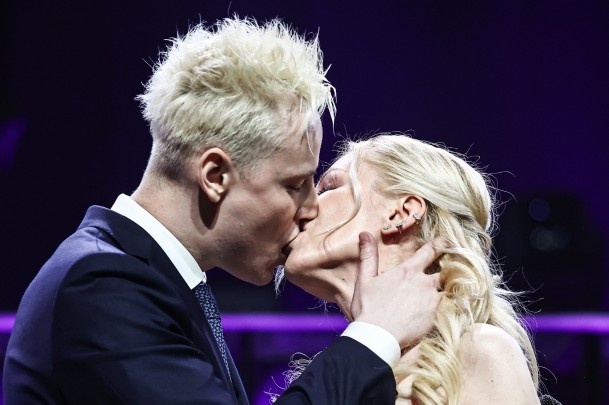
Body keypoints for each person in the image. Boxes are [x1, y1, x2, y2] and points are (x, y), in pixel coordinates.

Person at [3, 18, 441, 404]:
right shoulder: (102, 286)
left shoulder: (146, 280)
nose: (311, 209)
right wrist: (375, 333)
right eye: (294, 185)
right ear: (215, 175)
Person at [282, 133, 561, 404]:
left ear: (400, 214)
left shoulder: (479, 353)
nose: (306, 206)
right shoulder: (341, 372)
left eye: (328, 188)